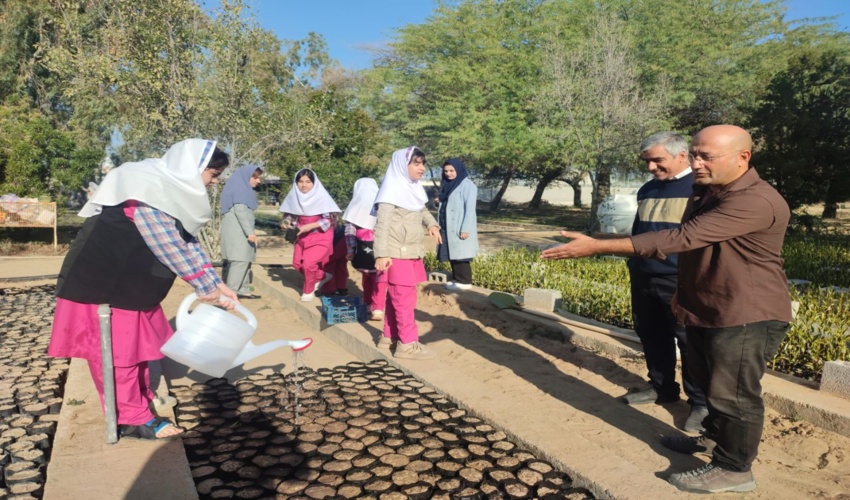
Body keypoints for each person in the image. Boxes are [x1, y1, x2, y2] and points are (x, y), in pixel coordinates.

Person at [540, 125, 792, 494]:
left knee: (733, 395)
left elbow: (682, 238)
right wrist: (603, 239)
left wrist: (598, 248)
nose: (697, 162)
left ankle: (735, 470)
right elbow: (671, 236)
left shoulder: (754, 200)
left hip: (744, 314)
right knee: (708, 384)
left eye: (708, 156)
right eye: (695, 153)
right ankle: (713, 442)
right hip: (709, 306)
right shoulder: (708, 192)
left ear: (743, 158)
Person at [49, 139, 238, 440]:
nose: (214, 183)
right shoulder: (146, 187)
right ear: (195, 168)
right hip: (103, 285)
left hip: (129, 284)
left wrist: (215, 282)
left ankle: (139, 399)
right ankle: (132, 418)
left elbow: (188, 241)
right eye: (213, 175)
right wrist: (205, 287)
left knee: (136, 352)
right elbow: (169, 244)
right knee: (118, 355)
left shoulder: (167, 188)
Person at [620, 132, 708, 434]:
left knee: (690, 342)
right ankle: (661, 387)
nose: (650, 167)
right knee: (652, 334)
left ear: (682, 156)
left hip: (680, 278)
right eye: (647, 161)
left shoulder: (700, 190)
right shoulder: (647, 190)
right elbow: (639, 234)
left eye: (657, 160)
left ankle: (701, 404)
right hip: (644, 274)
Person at [374, 146, 442, 360]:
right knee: (404, 300)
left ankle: (389, 337)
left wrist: (432, 224)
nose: (421, 167)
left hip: (411, 252)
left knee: (398, 297)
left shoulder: (411, 189)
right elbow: (381, 226)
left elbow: (422, 210)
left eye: (422, 163)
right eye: (416, 163)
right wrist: (381, 254)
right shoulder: (390, 193)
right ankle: (407, 344)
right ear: (402, 166)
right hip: (396, 254)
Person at [279, 168, 340, 302]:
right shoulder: (294, 196)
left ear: (314, 183)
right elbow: (289, 215)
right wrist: (286, 222)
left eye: (308, 181)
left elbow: (329, 219)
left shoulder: (322, 198)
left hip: (320, 236)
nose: (304, 185)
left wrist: (310, 226)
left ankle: (308, 291)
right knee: (296, 264)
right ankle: (322, 276)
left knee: (308, 264)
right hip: (302, 237)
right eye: (300, 181)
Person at [342, 178, 387, 321]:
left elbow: (349, 232)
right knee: (380, 278)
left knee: (367, 278)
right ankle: (378, 307)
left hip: (361, 250)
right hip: (381, 247)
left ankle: (368, 303)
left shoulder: (354, 207)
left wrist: (350, 250)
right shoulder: (382, 205)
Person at [220, 164, 263, 299]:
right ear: (246, 177)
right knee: (240, 261)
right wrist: (250, 232)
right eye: (255, 178)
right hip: (238, 233)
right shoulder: (239, 189)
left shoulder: (243, 189)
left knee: (245, 260)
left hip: (241, 232)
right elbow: (241, 212)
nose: (258, 181)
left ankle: (243, 290)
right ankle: (231, 292)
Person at [435, 158, 479, 291]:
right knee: (451, 252)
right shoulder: (448, 184)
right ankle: (456, 279)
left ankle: (464, 281)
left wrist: (465, 228)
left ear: (458, 170)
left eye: (452, 170)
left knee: (461, 254)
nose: (448, 174)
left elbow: (470, 209)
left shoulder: (468, 185)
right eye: (446, 171)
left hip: (459, 225)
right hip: (447, 225)